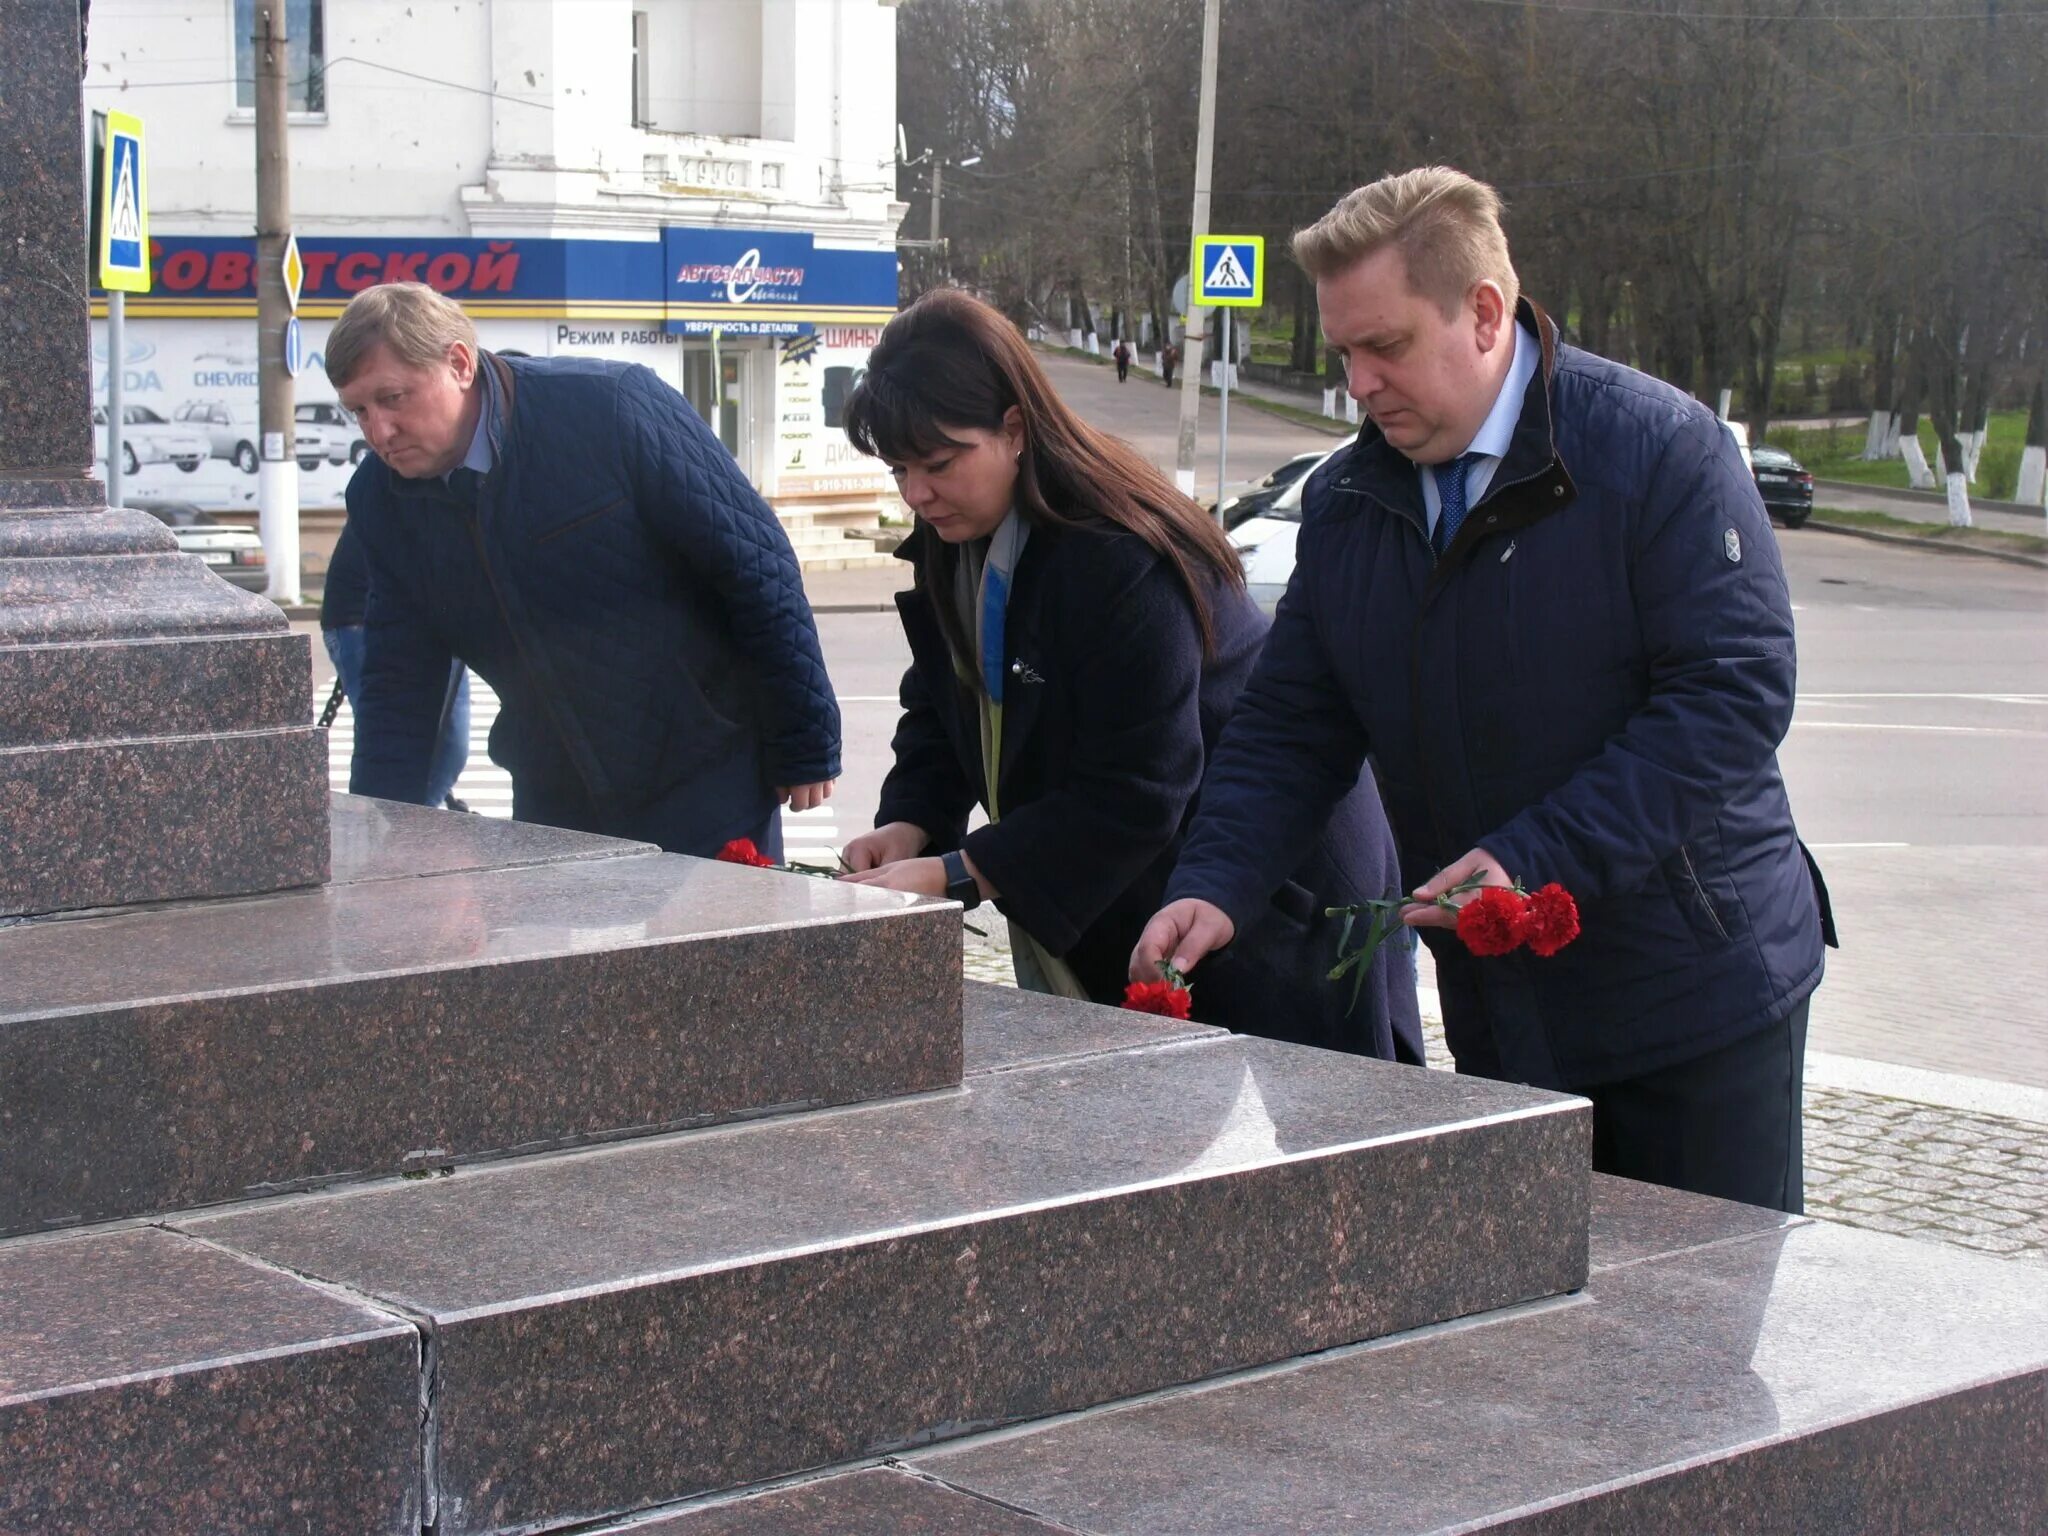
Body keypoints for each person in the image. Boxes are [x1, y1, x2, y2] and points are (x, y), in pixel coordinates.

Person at [1135, 167, 1834, 1213]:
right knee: (1538, 1352)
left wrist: (1532, 859)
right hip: (1504, 1007)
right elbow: (1291, 726)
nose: (1358, 385)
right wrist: (1213, 879)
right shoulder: (1344, 502)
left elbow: (1728, 699)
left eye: (1386, 346)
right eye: (1343, 354)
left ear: (1482, 313)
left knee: (1700, 1350)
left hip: (1695, 999)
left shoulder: (1658, 452)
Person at [838, 289, 1421, 1063]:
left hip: (1273, 891)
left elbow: (1139, 787)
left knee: (1317, 1143)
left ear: (1014, 429)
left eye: (939, 464)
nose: (916, 493)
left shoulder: (1115, 552)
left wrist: (959, 871)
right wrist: (911, 817)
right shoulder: (961, 524)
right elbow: (950, 698)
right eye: (900, 468)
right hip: (1141, 888)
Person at [327, 282, 839, 857]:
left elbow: (754, 562)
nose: (378, 433)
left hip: (703, 771)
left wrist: (806, 738)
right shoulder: (381, 499)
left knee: (720, 948)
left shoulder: (607, 405)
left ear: (459, 363)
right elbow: (400, 675)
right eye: (359, 411)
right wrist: (382, 829)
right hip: (552, 793)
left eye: (393, 398)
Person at [319, 521, 471, 811]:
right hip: (365, 620)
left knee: (449, 747)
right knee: (395, 748)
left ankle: (410, 833)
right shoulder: (399, 485)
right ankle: (403, 836)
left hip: (436, 621)